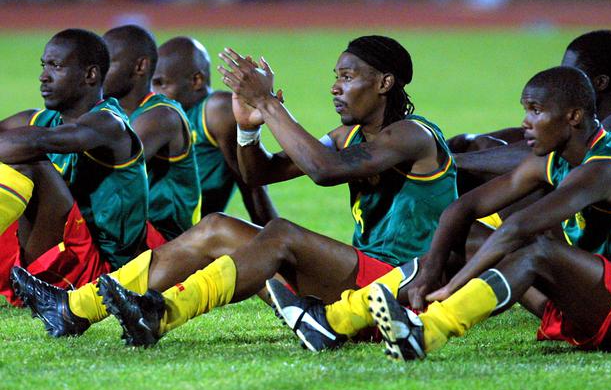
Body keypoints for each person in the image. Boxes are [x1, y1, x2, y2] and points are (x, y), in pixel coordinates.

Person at [11, 35, 458, 347]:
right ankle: (74, 308)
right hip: (359, 282)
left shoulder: (412, 135)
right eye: (335, 75)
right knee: (216, 227)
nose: (335, 87)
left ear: (384, 83)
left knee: (280, 233)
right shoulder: (347, 137)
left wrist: (269, 102)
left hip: (402, 291)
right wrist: (248, 131)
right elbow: (260, 173)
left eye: (348, 76)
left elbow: (323, 171)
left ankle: (160, 312)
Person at [268, 66, 611, 358]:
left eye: (536, 111)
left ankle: (426, 332)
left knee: (535, 251)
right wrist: (431, 271)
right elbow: (463, 208)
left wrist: (451, 287)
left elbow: (519, 228)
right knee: (462, 239)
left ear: (573, 117)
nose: (525, 122)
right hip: (599, 297)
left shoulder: (606, 168)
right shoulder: (554, 159)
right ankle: (332, 321)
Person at [0, 29, 148, 306]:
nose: (43, 76)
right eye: (44, 65)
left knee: (28, 161)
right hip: (56, 255)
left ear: (90, 75)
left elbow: (45, 141)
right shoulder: (41, 118)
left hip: (99, 274)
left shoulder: (110, 124)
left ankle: (33, 284)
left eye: (56, 66)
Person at [452, 30, 611, 199]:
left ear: (600, 82)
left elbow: (545, 157)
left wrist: (454, 161)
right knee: (472, 144)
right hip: (608, 223)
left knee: (533, 184)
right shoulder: (589, 117)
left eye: (574, 72)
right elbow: (529, 137)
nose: (565, 78)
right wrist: (458, 146)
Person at [151, 36, 276, 224]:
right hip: (147, 227)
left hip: (181, 235)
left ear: (196, 81)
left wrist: (274, 241)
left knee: (218, 225)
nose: (154, 92)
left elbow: (252, 185)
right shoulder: (160, 113)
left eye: (162, 83)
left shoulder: (216, 111)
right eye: (152, 83)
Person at [102, 25, 201, 244]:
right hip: (128, 233)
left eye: (107, 63)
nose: (97, 71)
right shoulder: (108, 112)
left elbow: (106, 173)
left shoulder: (161, 116)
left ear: (140, 66)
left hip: (167, 244)